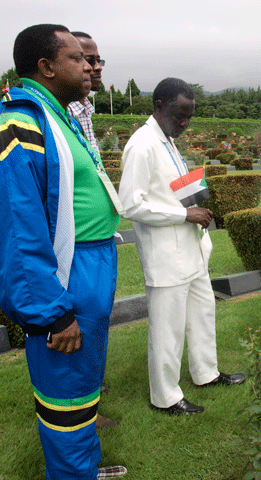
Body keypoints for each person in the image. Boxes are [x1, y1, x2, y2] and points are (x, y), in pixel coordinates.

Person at [0, 24, 126, 479]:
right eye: (77, 58)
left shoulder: (58, 114)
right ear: (47, 67)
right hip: (67, 275)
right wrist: (52, 314)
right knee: (64, 387)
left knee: (84, 380)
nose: (89, 66)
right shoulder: (21, 121)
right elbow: (20, 229)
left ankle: (83, 468)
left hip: (93, 262)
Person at [119, 78, 244, 416]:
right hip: (164, 253)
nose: (185, 124)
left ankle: (206, 373)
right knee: (168, 327)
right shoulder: (142, 144)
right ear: (159, 107)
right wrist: (184, 213)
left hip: (190, 247)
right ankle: (166, 396)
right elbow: (130, 205)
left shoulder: (168, 140)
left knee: (203, 312)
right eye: (180, 115)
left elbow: (169, 187)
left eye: (190, 116)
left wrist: (194, 196)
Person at [67, 30, 116, 431]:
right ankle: (77, 412)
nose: (93, 67)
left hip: (98, 243)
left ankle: (89, 403)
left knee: (95, 329)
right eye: (86, 59)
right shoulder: (55, 112)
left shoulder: (86, 105)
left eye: (99, 61)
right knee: (78, 333)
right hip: (76, 247)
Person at [68, 32, 103, 152]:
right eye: (90, 60)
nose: (98, 67)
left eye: (99, 61)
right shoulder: (64, 113)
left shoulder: (86, 109)